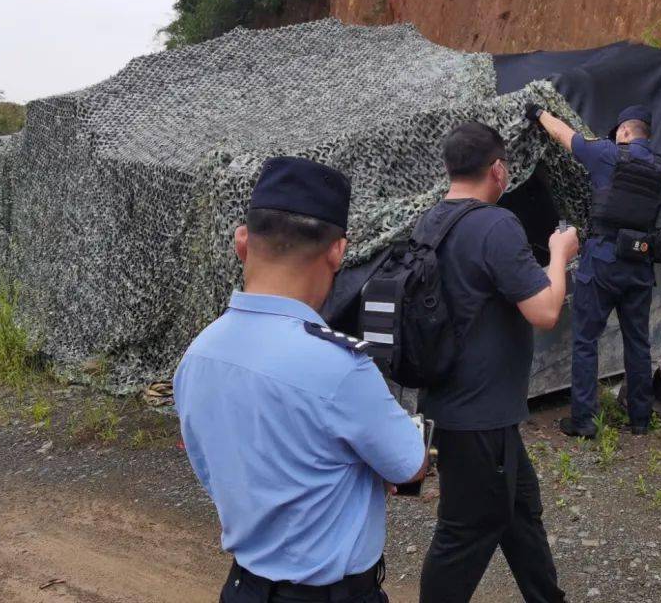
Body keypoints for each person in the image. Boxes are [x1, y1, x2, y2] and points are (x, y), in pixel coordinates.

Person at [174, 156, 428, 603]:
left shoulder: (197, 356)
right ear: (337, 251)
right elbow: (409, 466)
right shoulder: (340, 368)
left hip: (242, 588)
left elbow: (215, 470)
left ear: (241, 241)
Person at [417, 121, 579, 603]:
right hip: (479, 416)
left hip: (468, 407)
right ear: (498, 169)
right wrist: (558, 253)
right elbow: (545, 310)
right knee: (463, 534)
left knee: (520, 512)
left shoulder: (430, 221)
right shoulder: (496, 225)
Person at [528, 104, 661, 439]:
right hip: (640, 265)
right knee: (638, 341)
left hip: (602, 261)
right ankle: (640, 419)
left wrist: (539, 113)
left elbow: (563, 135)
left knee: (586, 339)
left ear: (625, 132)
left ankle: (584, 420)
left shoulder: (607, 154)